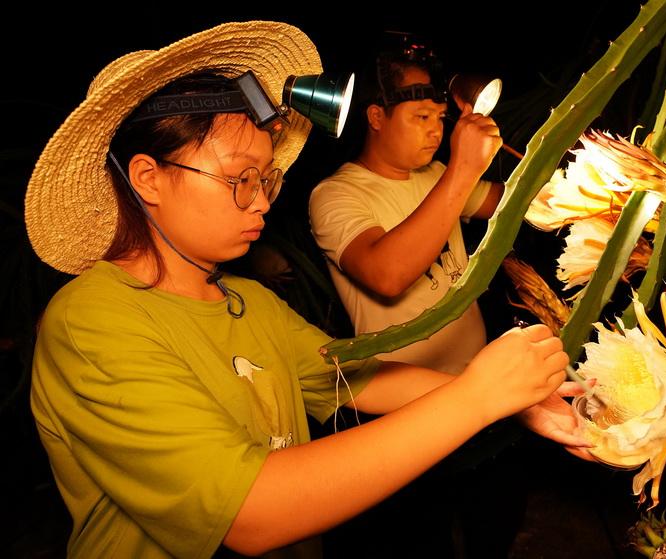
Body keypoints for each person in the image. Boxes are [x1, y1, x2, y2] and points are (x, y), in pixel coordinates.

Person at [25, 22, 588, 558]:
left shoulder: (252, 303)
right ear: (148, 178)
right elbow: (251, 513)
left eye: (265, 179)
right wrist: (476, 398)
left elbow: (358, 378)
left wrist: (514, 399)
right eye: (239, 179)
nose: (262, 202)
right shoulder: (91, 319)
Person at [309, 46, 505, 373]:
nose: (436, 130)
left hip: (476, 375)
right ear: (376, 117)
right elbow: (388, 275)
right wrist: (464, 168)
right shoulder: (334, 194)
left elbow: (507, 203)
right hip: (408, 395)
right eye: (421, 117)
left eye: (440, 117)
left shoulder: (437, 174)